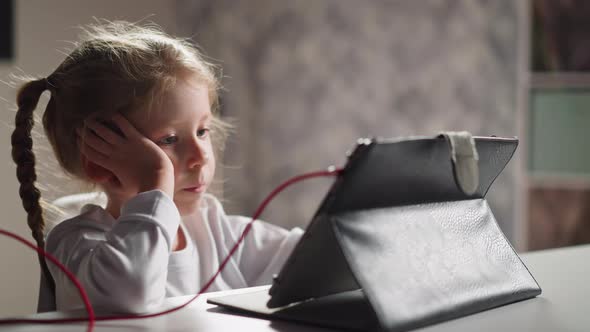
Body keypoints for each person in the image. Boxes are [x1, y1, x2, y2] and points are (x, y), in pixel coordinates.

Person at [11, 21, 303, 314]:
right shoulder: (74, 242)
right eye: (170, 139)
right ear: (100, 160)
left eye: (202, 131)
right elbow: (128, 296)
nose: (200, 156)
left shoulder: (215, 229)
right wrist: (155, 183)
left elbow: (315, 260)